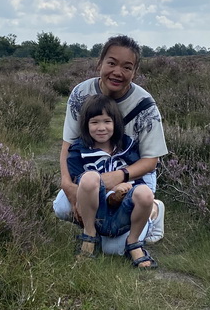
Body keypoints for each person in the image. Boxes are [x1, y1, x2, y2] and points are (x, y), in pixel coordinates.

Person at [54, 34, 167, 267]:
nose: (118, 72)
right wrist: (69, 185)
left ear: (134, 72)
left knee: (113, 249)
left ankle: (153, 209)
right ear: (100, 63)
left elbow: (150, 162)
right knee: (62, 206)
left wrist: (118, 177)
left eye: (127, 67)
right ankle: (93, 228)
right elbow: (68, 146)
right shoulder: (81, 94)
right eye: (112, 63)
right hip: (91, 169)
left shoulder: (145, 105)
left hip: (134, 174)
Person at [67, 94, 157, 268]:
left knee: (145, 193)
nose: (101, 128)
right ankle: (89, 236)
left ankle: (134, 241)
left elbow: (139, 179)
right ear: (85, 124)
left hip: (123, 213)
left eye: (107, 122)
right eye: (94, 122)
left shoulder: (128, 147)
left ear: (116, 124)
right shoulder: (78, 151)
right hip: (97, 213)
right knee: (90, 177)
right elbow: (80, 183)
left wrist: (126, 185)